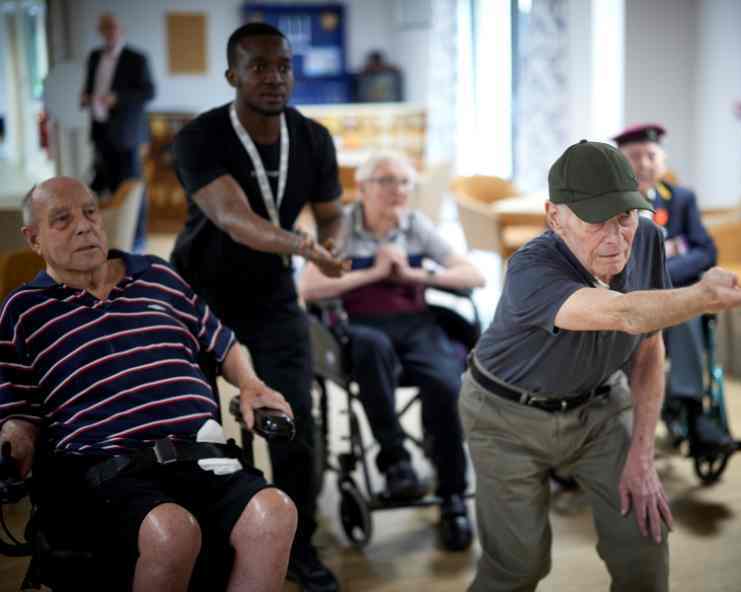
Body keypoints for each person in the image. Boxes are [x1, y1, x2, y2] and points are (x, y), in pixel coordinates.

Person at [460, 140, 741, 591]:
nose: (616, 239)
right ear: (555, 216)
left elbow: (649, 348)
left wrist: (643, 455)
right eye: (597, 220)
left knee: (645, 542)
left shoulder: (648, 239)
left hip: (598, 407)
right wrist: (701, 297)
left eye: (625, 217)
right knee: (519, 565)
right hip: (504, 417)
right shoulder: (529, 268)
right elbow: (624, 312)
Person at [0, 177, 298, 592]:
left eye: (90, 212)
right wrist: (13, 444)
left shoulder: (155, 274)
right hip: (106, 469)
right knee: (171, 532)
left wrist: (250, 383)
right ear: (33, 239)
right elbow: (18, 409)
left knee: (275, 512)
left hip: (200, 454)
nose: (84, 226)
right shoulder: (24, 311)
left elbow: (222, 341)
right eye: (62, 220)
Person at [169, 22, 348, 592]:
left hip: (273, 297)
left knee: (296, 420)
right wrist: (305, 246)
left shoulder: (314, 137)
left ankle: (299, 542)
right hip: (199, 296)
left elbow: (332, 212)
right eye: (259, 67)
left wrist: (334, 242)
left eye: (283, 66)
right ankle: (200, 536)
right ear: (233, 75)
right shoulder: (200, 136)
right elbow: (233, 218)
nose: (274, 77)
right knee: (193, 423)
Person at [299, 151, 485, 550]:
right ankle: (396, 459)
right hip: (359, 327)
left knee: (444, 382)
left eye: (404, 182)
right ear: (363, 188)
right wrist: (373, 273)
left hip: (416, 323)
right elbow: (308, 287)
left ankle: (453, 496)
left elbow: (474, 275)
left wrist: (414, 273)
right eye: (387, 181)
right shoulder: (342, 227)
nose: (398, 190)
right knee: (371, 348)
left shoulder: (416, 225)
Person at [613, 123, 730, 450]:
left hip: (671, 298)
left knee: (688, 310)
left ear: (663, 161)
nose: (644, 163)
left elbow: (706, 250)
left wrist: (660, 272)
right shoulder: (608, 206)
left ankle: (692, 410)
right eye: (634, 156)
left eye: (651, 155)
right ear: (619, 163)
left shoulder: (681, 200)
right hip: (627, 303)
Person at [80, 13, 154, 252]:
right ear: (100, 31)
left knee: (131, 189)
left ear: (121, 30)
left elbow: (148, 92)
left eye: (112, 28)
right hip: (100, 131)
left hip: (127, 136)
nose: (109, 32)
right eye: (104, 29)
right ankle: (109, 238)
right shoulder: (93, 57)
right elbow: (90, 87)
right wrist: (85, 97)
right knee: (104, 186)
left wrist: (117, 98)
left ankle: (137, 240)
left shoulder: (136, 58)